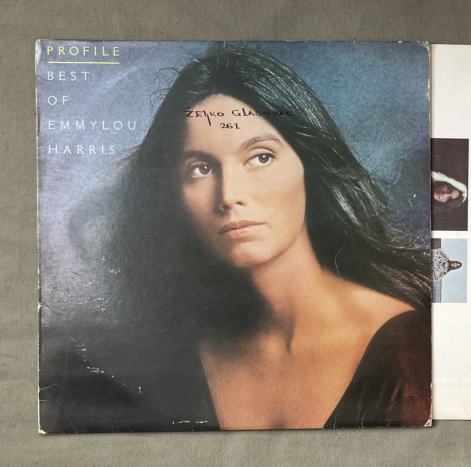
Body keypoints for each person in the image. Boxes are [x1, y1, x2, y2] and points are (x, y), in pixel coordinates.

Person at [40, 44, 431, 432]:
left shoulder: (410, 349)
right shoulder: (167, 358)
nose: (229, 195)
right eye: (200, 168)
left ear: (309, 165)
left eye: (260, 157)